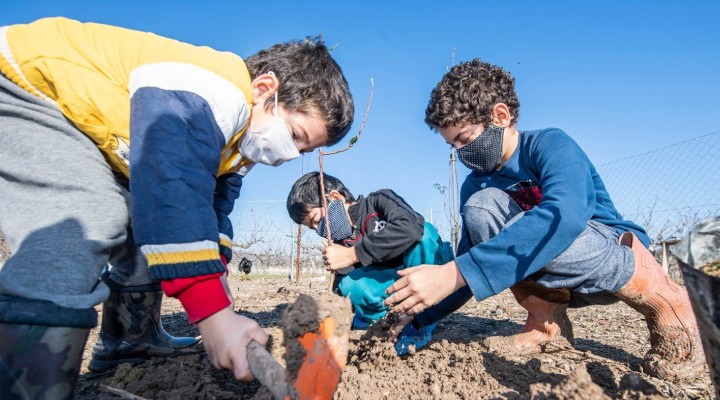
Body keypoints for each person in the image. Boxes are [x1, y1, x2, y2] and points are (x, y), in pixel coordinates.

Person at [0, 17, 353, 398]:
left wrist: (220, 291)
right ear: (265, 89)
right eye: (296, 136)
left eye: (302, 151)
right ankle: (25, 383)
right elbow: (173, 191)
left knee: (144, 217)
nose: (289, 155)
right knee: (91, 214)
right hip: (26, 85)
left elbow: (209, 215)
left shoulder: (235, 151)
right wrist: (214, 318)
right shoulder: (214, 89)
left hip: (92, 133)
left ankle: (130, 340)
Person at [384, 59, 704, 382]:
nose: (461, 154)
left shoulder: (550, 145)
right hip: (555, 284)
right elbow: (468, 265)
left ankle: (671, 307)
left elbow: (566, 215)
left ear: (500, 116)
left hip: (607, 257)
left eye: (465, 140)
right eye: (452, 146)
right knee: (480, 209)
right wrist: (418, 316)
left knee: (543, 224)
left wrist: (455, 272)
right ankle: (546, 323)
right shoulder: (476, 185)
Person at [287, 172, 454, 354]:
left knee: (424, 235)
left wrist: (354, 254)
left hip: (431, 273)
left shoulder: (378, 201)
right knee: (350, 285)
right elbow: (343, 290)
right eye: (312, 228)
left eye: (317, 221)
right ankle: (393, 323)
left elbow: (410, 228)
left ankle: (422, 321)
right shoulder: (339, 245)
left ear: (335, 197)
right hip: (395, 287)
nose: (318, 230)